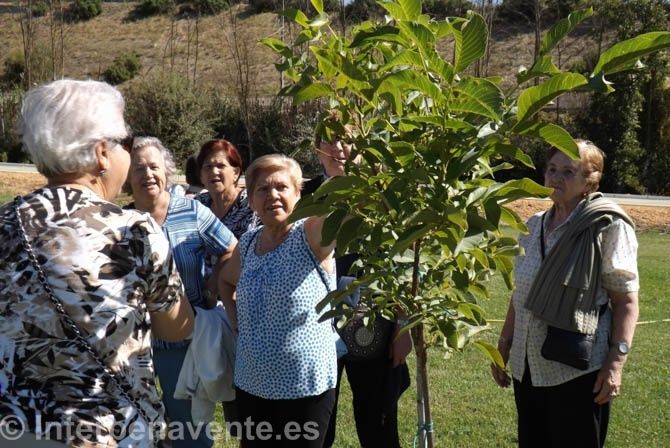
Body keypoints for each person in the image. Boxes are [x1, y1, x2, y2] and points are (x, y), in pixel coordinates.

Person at [0, 79, 194, 447]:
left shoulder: (4, 224)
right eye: (126, 144)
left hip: (17, 430)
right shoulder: (134, 231)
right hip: (112, 432)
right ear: (102, 153)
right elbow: (176, 329)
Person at [491, 140, 639, 448]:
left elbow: (625, 300)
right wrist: (503, 346)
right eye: (551, 169)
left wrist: (616, 364)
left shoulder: (606, 225)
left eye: (568, 172)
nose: (556, 178)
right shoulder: (533, 225)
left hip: (576, 372)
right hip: (528, 367)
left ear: (590, 179)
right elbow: (521, 294)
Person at [218, 154, 338, 447]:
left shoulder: (310, 234)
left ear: (298, 194)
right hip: (252, 382)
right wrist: (235, 321)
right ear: (251, 200)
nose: (272, 195)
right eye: (262, 189)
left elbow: (346, 215)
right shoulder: (248, 242)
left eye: (282, 187)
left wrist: (347, 169)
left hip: (304, 386)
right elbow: (225, 280)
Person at [126, 136, 238, 448]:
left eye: (154, 167)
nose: (148, 174)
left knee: (189, 429)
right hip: (134, 344)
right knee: (135, 425)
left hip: (184, 341)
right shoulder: (120, 221)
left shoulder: (192, 212)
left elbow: (232, 249)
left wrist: (214, 283)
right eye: (138, 169)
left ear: (167, 171)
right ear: (127, 176)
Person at [303, 131, 412, 448]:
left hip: (373, 324)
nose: (337, 147)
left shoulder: (383, 195)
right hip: (315, 325)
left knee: (378, 424)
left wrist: (404, 325)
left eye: (345, 139)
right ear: (317, 149)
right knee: (317, 426)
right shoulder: (303, 193)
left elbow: (405, 263)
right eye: (328, 140)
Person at [195, 138, 259, 239]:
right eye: (208, 167)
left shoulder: (253, 203)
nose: (214, 172)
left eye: (220, 166)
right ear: (201, 175)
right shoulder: (198, 204)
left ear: (236, 173)